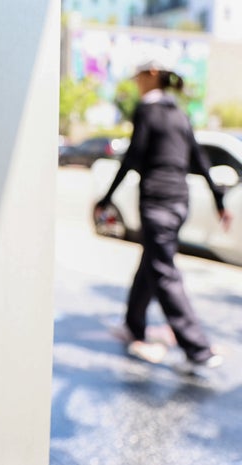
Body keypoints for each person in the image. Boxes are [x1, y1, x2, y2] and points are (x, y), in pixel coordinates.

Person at [95, 51, 232, 370]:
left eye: (140, 77)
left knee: (163, 272)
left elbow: (133, 156)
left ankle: (197, 349)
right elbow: (198, 157)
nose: (137, 84)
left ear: (153, 74)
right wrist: (219, 200)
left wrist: (107, 197)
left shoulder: (147, 110)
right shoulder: (179, 113)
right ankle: (133, 324)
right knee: (151, 263)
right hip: (179, 202)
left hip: (156, 202)